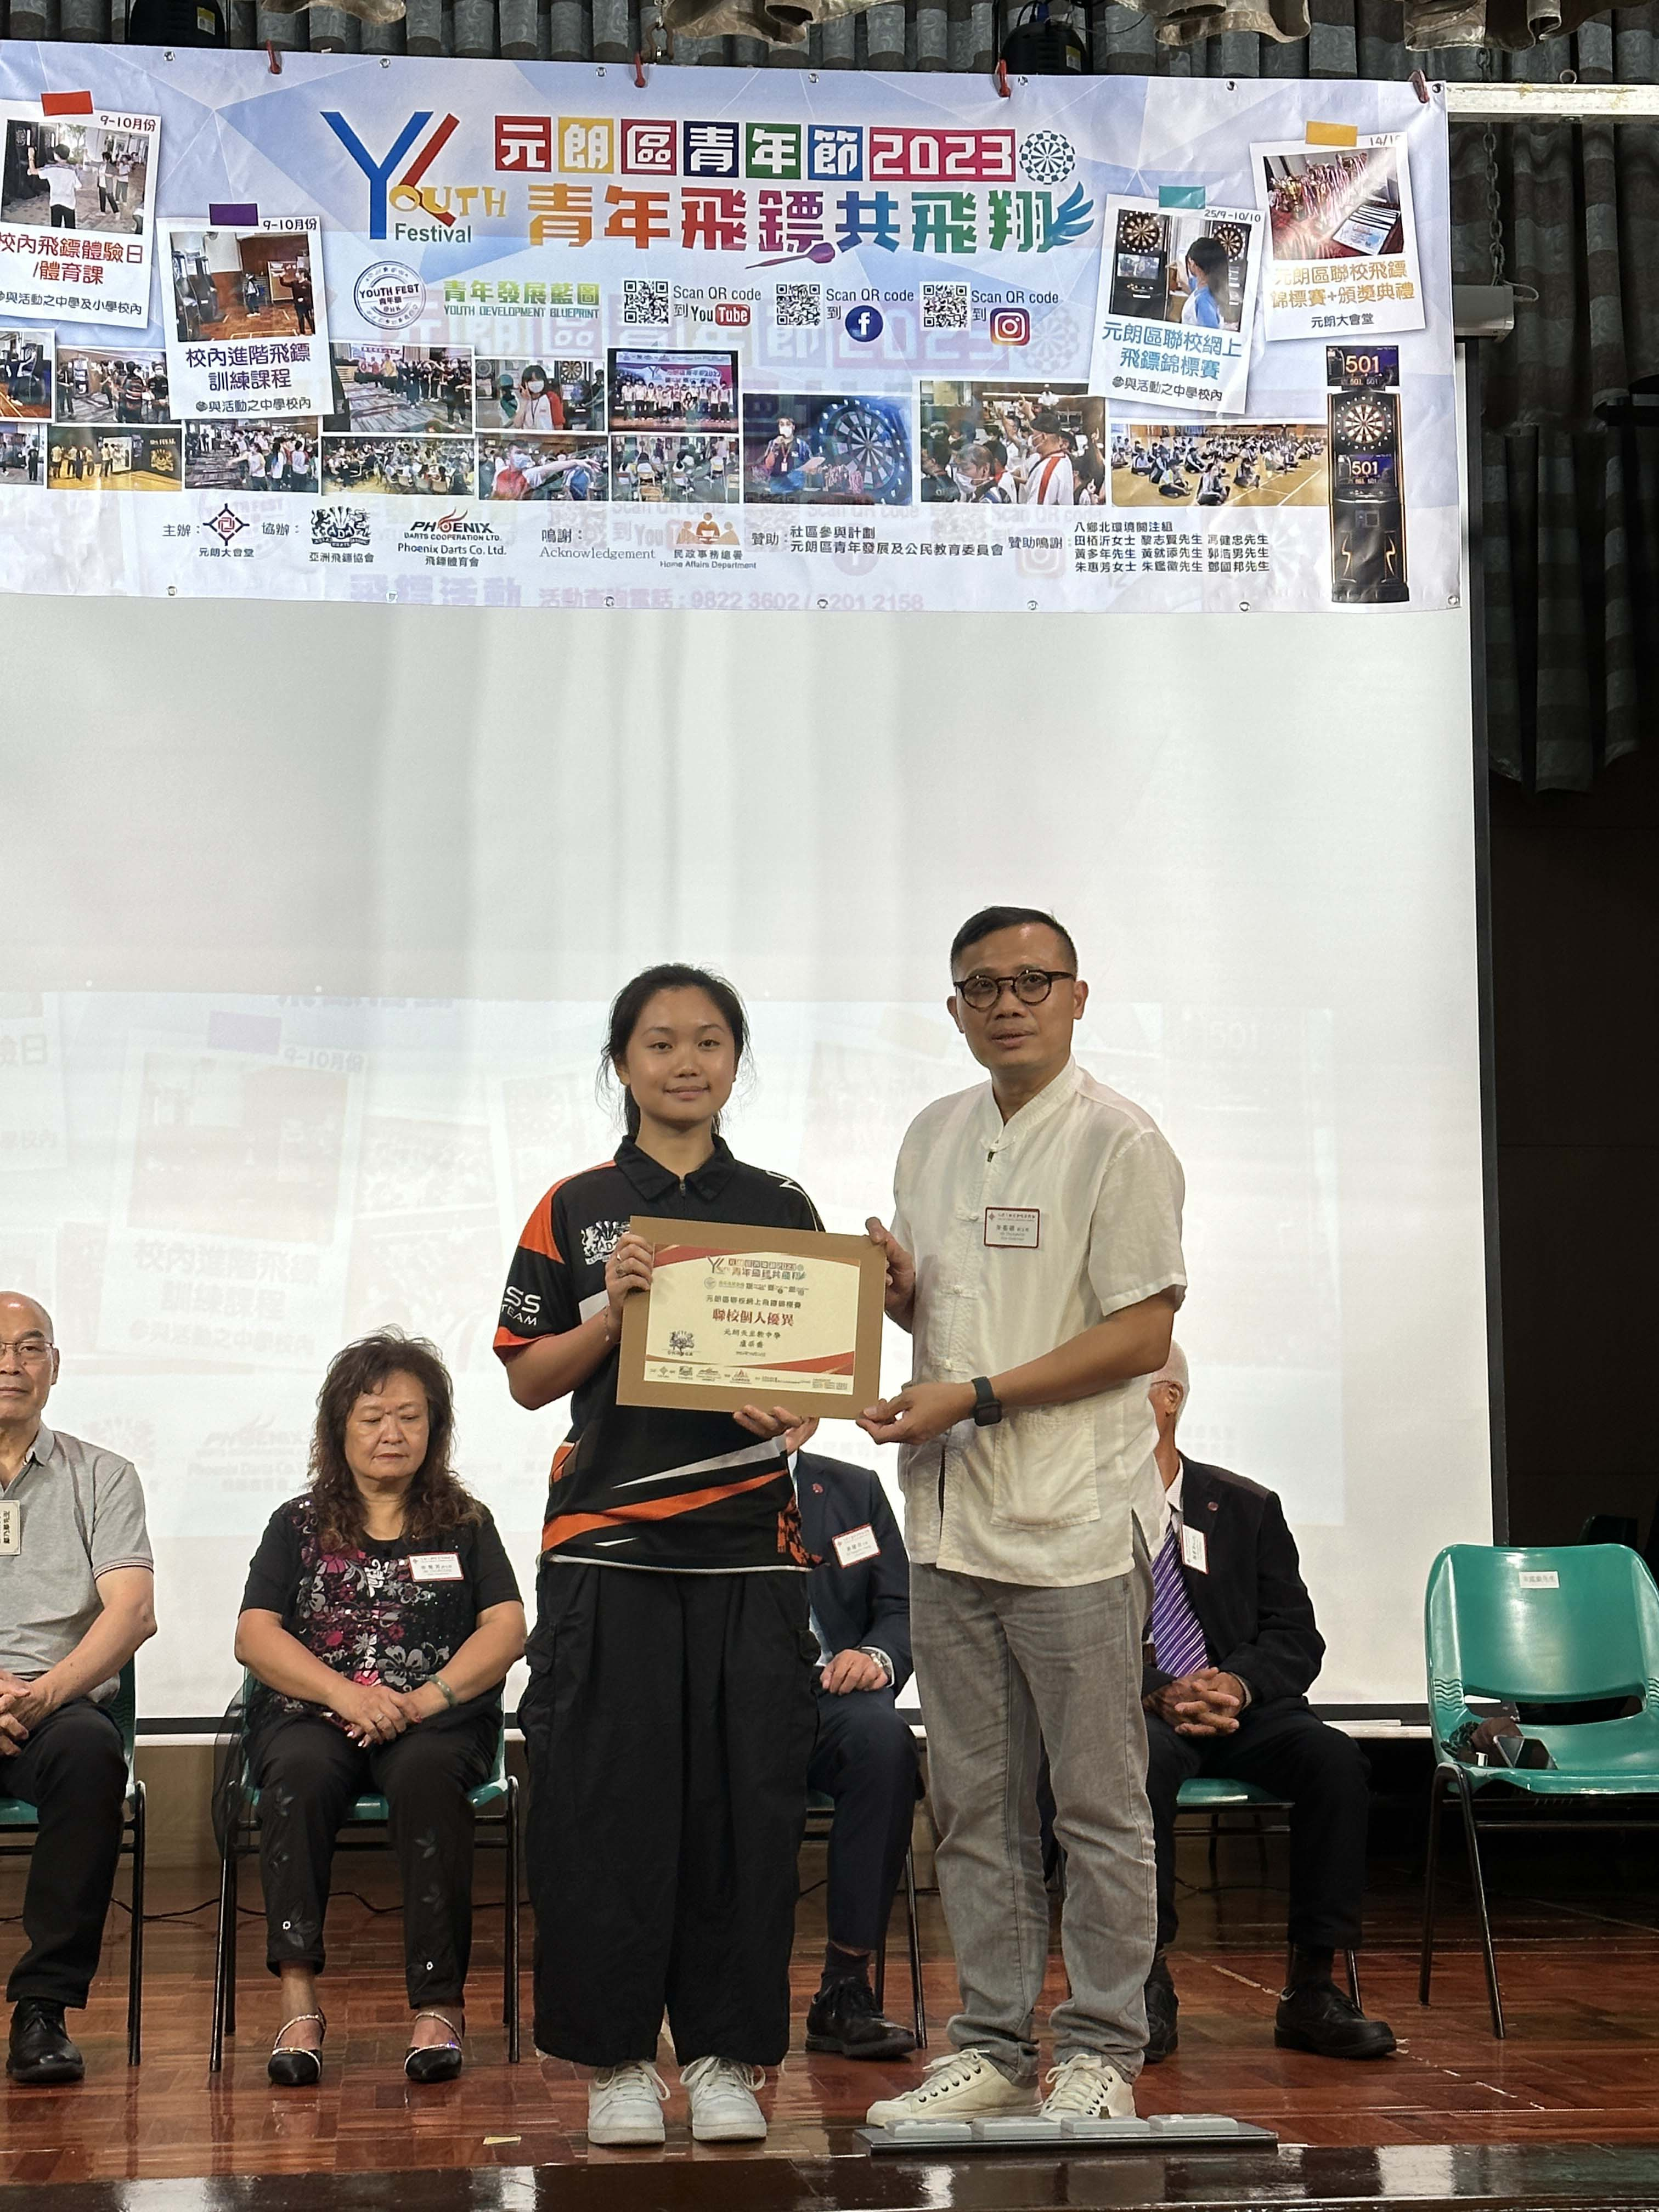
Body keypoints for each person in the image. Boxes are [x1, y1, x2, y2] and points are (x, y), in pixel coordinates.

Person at [857, 906, 1185, 2129]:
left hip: (1074, 1526)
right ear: (954, 1009)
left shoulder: (1120, 1140)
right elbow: (954, 1317)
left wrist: (979, 1394)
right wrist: (899, 1300)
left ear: (1077, 996)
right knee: (974, 1811)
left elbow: (1141, 1332)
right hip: (950, 1525)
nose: (1008, 1003)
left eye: (1032, 981)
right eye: (982, 986)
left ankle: (1101, 2049)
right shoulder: (932, 1133)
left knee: (1096, 1809)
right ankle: (991, 2047)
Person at [496, 964, 823, 2149]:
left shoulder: (780, 1206)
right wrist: (610, 1311)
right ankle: (619, 2063)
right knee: (605, 1810)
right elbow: (528, 1379)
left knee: (746, 1810)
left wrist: (794, 1410)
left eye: (709, 1041)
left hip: (750, 1555)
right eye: (660, 1041)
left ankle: (728, 2058)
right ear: (622, 1062)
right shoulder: (575, 1205)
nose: (686, 1061)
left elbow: (809, 1389)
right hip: (610, 1553)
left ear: (736, 1059)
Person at [233, 1331, 525, 2088]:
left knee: (428, 1777)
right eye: (372, 1417)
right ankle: (299, 2003)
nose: (391, 1432)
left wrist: (426, 1698)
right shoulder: (295, 1524)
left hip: (435, 1720)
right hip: (314, 1715)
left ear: (435, 1428)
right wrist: (346, 1695)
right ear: (339, 1428)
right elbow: (254, 1634)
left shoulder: (466, 1523)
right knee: (299, 1774)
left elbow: (506, 1628)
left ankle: (439, 2007)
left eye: (409, 1416)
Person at [1138, 1348, 1396, 2063]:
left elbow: (1295, 1636)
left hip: (1242, 1707)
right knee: (1136, 1763)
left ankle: (1312, 1988)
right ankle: (1144, 1980)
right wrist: (1156, 1686)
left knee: (1334, 1761)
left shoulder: (1245, 1506)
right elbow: (1069, 1633)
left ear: (1168, 1399)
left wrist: (1233, 1685)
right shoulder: (1082, 1508)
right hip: (1143, 1708)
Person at [0, 1293, 157, 2085]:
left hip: (57, 1707)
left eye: (31, 1349)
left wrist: (45, 1694)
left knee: (92, 1757)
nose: (12, 1364)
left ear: (55, 1368)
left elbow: (133, 1612)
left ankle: (43, 2009)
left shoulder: (103, 1476)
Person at [787, 1421, 923, 2062]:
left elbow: (900, 1606)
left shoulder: (852, 1488)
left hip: (832, 1694)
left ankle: (844, 1986)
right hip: (736, 1696)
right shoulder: (703, 1480)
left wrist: (875, 1655)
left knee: (884, 1743)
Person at [1017, 412, 1075, 505]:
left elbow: (1038, 510)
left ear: (1043, 437)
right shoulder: (1064, 458)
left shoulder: (1047, 470)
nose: (1032, 440)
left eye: (1034, 436)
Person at [28, 143, 82, 229]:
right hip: (69, 202)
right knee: (70, 228)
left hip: (55, 201)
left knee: (55, 228)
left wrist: (31, 156)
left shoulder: (50, 168)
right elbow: (78, 186)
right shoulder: (73, 170)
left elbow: (33, 171)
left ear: (57, 156)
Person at [1180, 237, 1231, 329]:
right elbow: (1187, 283)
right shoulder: (1206, 288)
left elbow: (1209, 333)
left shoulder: (1203, 299)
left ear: (1193, 263)